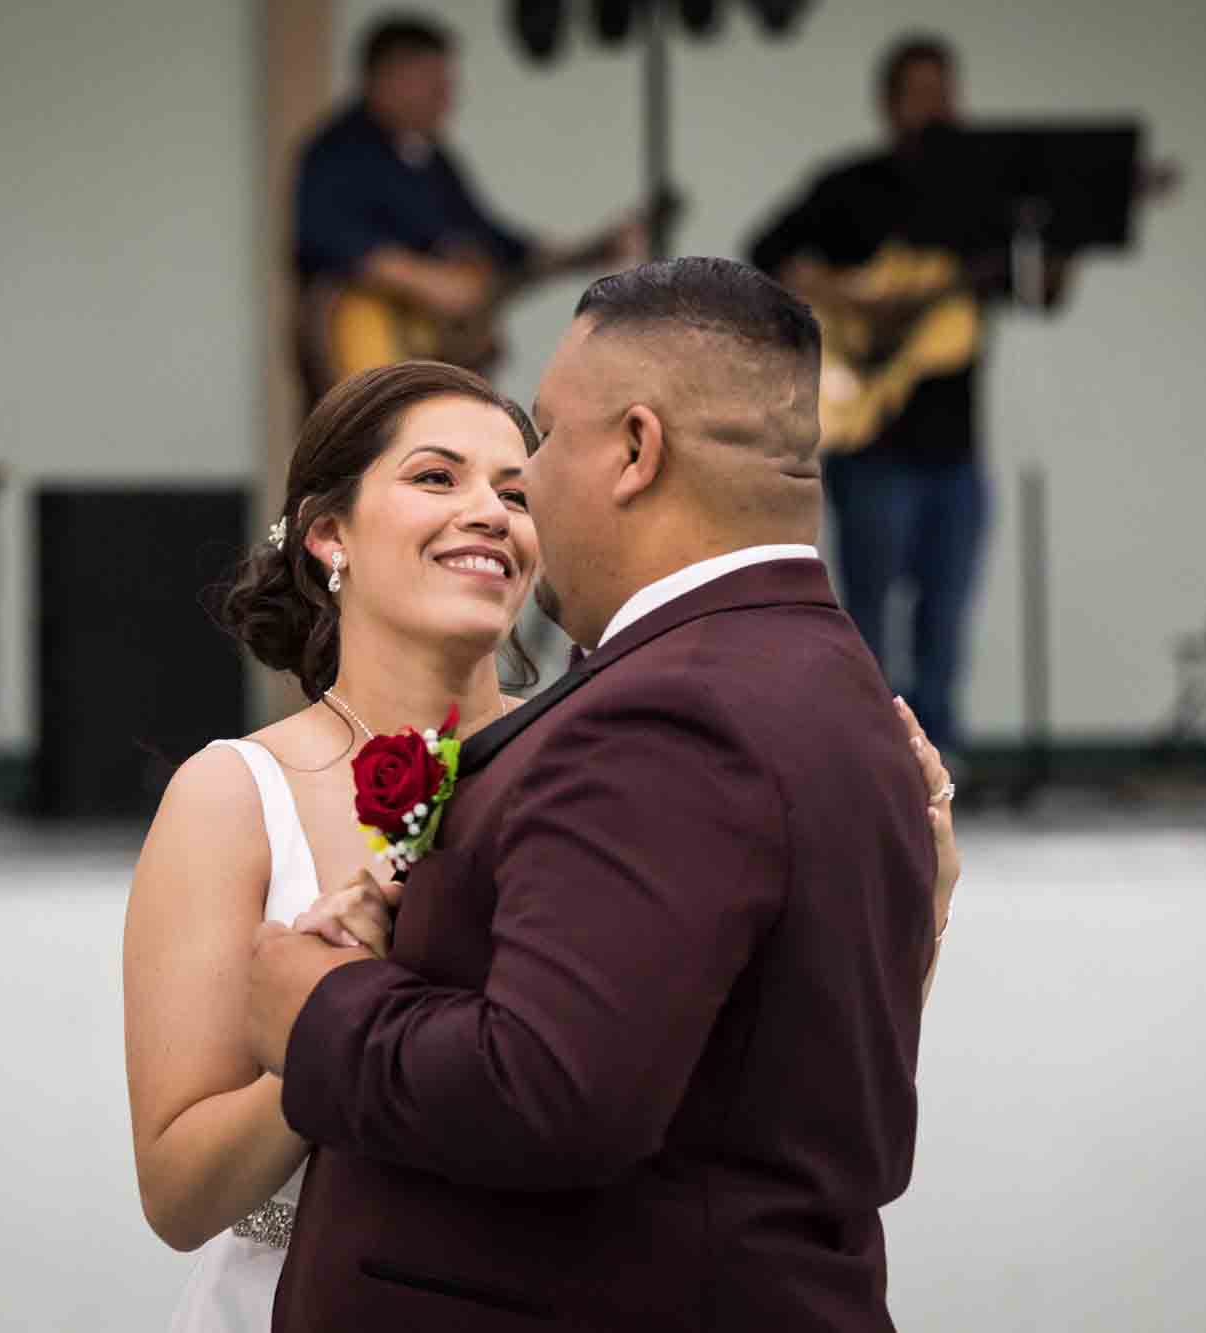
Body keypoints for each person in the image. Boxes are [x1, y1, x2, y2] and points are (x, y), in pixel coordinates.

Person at [125, 353, 959, 1330]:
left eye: (516, 490)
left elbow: (746, 1077)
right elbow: (178, 1195)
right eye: (436, 477)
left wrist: (910, 910)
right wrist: (322, 1030)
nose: (489, 511)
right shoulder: (232, 794)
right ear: (326, 534)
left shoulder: (619, 760)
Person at [746, 34, 1033, 760]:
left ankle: (940, 754)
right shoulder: (849, 186)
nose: (934, 105)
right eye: (918, 91)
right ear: (888, 102)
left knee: (947, 608)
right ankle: (870, 753)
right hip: (870, 436)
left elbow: (1036, 287)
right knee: (868, 607)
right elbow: (766, 253)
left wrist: (1054, 248)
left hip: (957, 442)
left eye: (944, 89)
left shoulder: (984, 196)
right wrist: (855, 302)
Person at [291, 12, 643, 401]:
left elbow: (489, 237)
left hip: (431, 349)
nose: (446, 95)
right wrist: (427, 282)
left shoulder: (435, 161)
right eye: (432, 82)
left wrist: (582, 253)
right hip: (355, 338)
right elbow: (325, 237)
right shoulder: (335, 150)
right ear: (386, 77)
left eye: (447, 82)